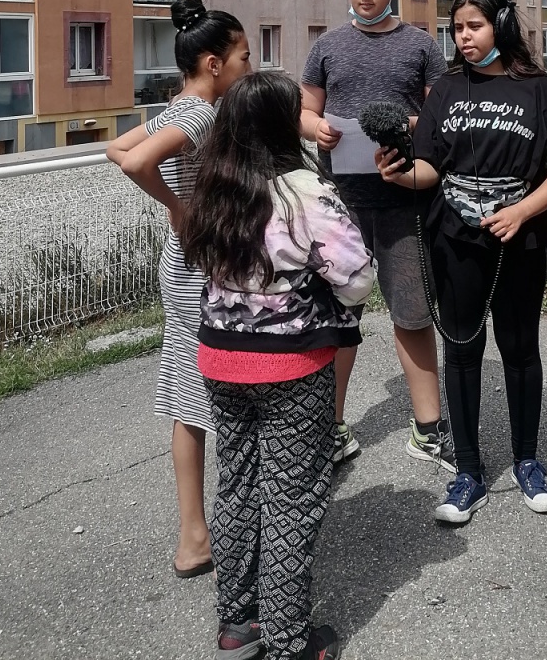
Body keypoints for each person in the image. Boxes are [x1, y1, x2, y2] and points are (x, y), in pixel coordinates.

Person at [181, 71, 376, 660]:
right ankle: (290, 640)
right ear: (279, 125)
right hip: (291, 363)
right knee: (292, 496)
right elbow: (356, 277)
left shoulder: (211, 186)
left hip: (220, 355)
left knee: (238, 485)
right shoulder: (304, 190)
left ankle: (237, 624)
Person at [377, 0, 547, 524]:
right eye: (457, 28)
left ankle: (527, 461)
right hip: (455, 238)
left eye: (474, 26)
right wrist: (400, 175)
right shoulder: (444, 90)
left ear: (501, 26)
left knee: (519, 348)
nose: (463, 37)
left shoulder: (540, 90)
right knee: (461, 349)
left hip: (520, 237)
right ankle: (467, 472)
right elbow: (430, 167)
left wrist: (522, 211)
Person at [106, 0, 251, 578]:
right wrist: (181, 207)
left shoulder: (176, 107)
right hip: (201, 265)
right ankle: (208, 531)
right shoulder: (200, 117)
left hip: (184, 262)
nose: (248, 67)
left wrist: (176, 205)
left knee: (190, 394)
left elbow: (115, 146)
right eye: (243, 57)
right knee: (212, 391)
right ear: (214, 64)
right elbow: (133, 163)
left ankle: (198, 532)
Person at [300, 0, 451, 468]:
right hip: (338, 206)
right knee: (337, 319)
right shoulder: (327, 46)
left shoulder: (421, 46)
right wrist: (315, 129)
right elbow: (305, 109)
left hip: (404, 202)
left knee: (413, 314)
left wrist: (405, 126)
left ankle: (429, 427)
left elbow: (441, 120)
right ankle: (330, 427)